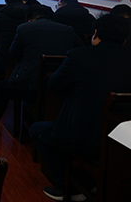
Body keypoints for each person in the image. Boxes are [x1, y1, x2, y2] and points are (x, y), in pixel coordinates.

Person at [30, 14, 131, 201]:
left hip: (84, 136)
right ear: (125, 39)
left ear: (95, 34)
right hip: (122, 140)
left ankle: (68, 187)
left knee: (37, 131)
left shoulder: (79, 56)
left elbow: (54, 85)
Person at [0, 5, 84, 124]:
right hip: (59, 88)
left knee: (1, 88)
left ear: (29, 19)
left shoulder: (24, 28)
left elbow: (13, 53)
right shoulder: (67, 30)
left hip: (30, 86)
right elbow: (81, 51)